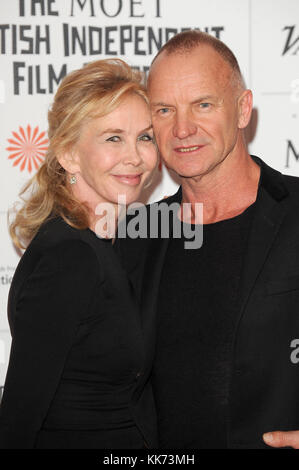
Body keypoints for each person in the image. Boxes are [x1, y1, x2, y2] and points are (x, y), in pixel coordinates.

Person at [116, 31, 299, 449]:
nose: (183, 128)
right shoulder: (134, 237)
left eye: (203, 104)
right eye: (164, 109)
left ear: (242, 109)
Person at [0, 59, 158, 449]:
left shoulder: (106, 244)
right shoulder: (70, 257)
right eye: (113, 138)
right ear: (68, 154)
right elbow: (21, 413)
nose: (135, 156)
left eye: (145, 137)